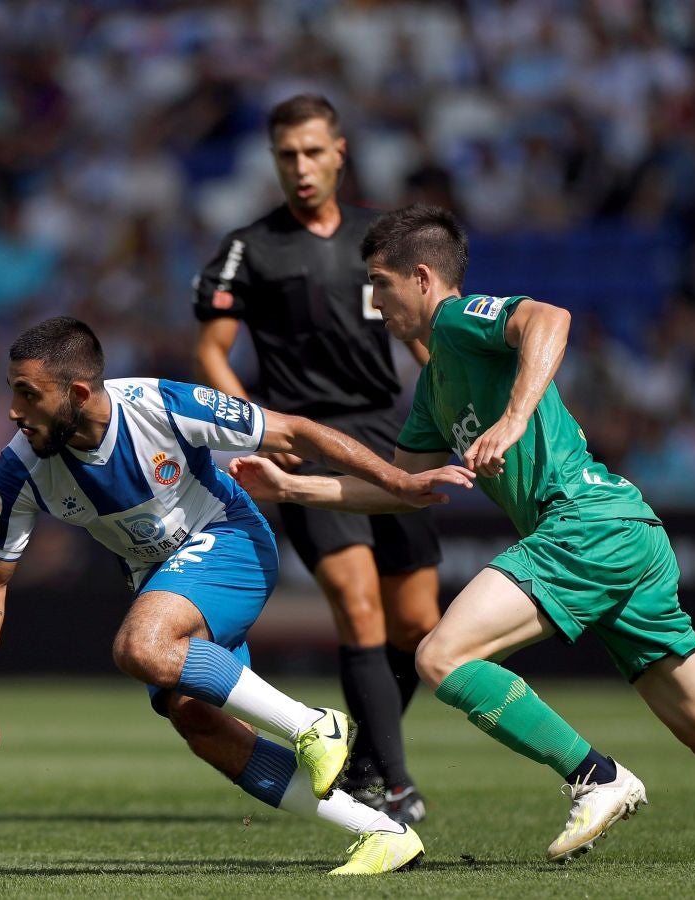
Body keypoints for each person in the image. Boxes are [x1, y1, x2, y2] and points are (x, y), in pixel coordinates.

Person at [230, 205, 695, 864]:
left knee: (443, 656)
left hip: (585, 522)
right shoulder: (435, 388)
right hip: (626, 534)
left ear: (422, 279)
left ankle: (595, 776)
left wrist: (512, 421)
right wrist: (291, 488)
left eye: (381, 286)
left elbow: (551, 319)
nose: (374, 304)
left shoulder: (456, 320)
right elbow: (398, 487)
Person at [0, 316, 472, 874]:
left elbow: (296, 432)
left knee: (139, 646)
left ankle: (314, 725)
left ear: (77, 393)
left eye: (28, 395)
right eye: (12, 393)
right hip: (161, 582)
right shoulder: (20, 467)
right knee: (198, 721)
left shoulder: (160, 404)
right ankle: (379, 832)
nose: (13, 411)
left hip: (229, 540)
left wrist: (398, 481)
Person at [193, 94, 441, 823]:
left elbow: (423, 341)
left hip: (390, 440)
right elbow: (211, 349)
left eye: (311, 151)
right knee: (358, 607)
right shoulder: (251, 246)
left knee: (417, 623)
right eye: (285, 155)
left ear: (340, 151)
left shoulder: (380, 238)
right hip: (304, 443)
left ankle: (364, 760)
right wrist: (256, 425)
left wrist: (460, 406)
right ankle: (396, 785)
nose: (299, 167)